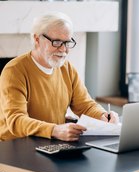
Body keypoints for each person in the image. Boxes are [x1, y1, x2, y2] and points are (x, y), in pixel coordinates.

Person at [0, 12, 117, 142]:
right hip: (15, 146)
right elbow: (16, 121)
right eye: (56, 42)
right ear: (37, 39)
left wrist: (103, 116)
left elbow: (85, 105)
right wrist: (55, 130)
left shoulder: (67, 68)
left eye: (67, 43)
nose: (63, 49)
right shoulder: (14, 71)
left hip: (50, 142)